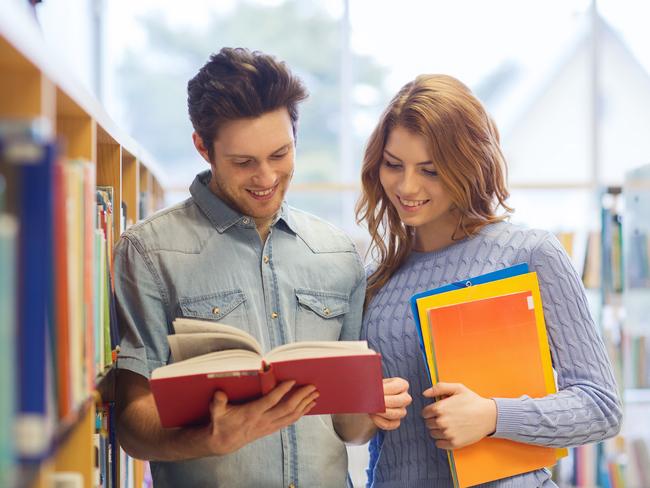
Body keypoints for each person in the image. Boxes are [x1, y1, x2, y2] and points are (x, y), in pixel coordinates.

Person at [113, 47, 411, 488]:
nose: (267, 177)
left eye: (280, 154)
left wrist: (373, 409)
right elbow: (132, 424)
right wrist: (209, 438)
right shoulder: (149, 251)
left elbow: (349, 429)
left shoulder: (338, 253)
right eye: (243, 162)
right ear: (202, 147)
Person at [356, 74, 622, 487]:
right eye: (394, 165)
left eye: (430, 170)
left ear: (468, 165)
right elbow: (362, 431)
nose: (407, 186)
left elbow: (600, 406)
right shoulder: (376, 282)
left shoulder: (530, 253)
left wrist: (493, 416)